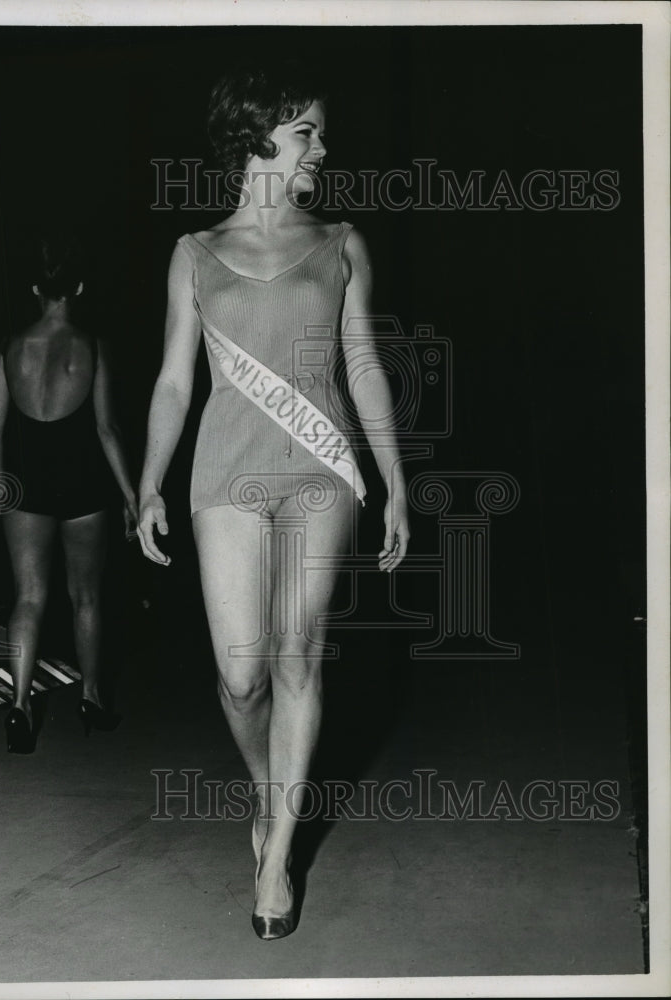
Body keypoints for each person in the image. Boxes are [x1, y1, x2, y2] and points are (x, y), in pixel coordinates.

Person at [137, 65, 409, 939]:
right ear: (256, 137)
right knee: (241, 674)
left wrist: (396, 481)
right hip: (225, 474)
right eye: (306, 133)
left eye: (320, 133)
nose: (323, 148)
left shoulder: (341, 242)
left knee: (298, 656)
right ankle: (267, 790)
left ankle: (278, 852)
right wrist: (148, 480)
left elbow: (362, 367)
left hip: (320, 473)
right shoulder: (194, 252)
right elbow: (176, 383)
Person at [0, 237, 139, 754]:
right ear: (78, 287)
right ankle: (92, 699)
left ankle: (20, 705)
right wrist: (132, 495)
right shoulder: (93, 346)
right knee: (87, 596)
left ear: (35, 289)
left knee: (28, 596)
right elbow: (107, 429)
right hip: (83, 485)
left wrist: (1, 481)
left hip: (25, 484)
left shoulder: (11, 347)